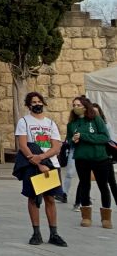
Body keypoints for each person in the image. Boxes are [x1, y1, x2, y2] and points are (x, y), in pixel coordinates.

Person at [15, 91, 67, 247]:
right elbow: (23, 145)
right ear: (28, 105)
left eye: (39, 102)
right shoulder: (24, 122)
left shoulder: (50, 123)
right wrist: (37, 162)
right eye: (33, 102)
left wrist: (43, 158)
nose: (37, 104)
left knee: (50, 198)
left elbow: (56, 146)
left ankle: (54, 233)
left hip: (50, 164)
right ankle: (36, 233)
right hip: (32, 165)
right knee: (33, 198)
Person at [68, 97, 113, 230]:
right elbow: (69, 142)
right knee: (84, 185)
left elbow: (104, 137)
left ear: (85, 106)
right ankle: (86, 216)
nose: (76, 107)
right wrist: (73, 140)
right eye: (74, 105)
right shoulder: (72, 124)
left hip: (100, 158)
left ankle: (106, 218)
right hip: (81, 159)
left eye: (78, 105)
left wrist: (83, 136)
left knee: (103, 186)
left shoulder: (96, 119)